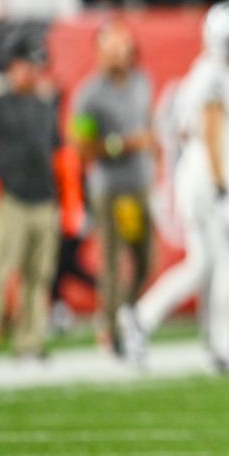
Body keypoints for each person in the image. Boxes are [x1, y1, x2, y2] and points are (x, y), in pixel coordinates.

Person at [118, 1, 229, 374]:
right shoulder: (213, 75)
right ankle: (224, 343)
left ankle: (141, 318)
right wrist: (222, 188)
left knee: (203, 264)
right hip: (212, 174)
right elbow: (212, 130)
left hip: (216, 171)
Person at [0, 31, 82, 360]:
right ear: (13, 66)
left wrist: (71, 200)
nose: (33, 72)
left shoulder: (44, 103)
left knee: (38, 275)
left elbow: (61, 155)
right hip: (8, 200)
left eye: (36, 66)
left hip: (43, 199)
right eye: (28, 65)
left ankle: (29, 341)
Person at [70, 20, 155, 353]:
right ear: (99, 52)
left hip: (139, 186)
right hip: (109, 189)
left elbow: (147, 126)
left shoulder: (142, 83)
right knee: (111, 262)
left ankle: (125, 315)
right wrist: (124, 144)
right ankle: (108, 328)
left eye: (124, 46)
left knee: (146, 260)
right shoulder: (89, 95)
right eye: (113, 47)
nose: (121, 53)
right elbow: (81, 148)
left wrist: (151, 154)